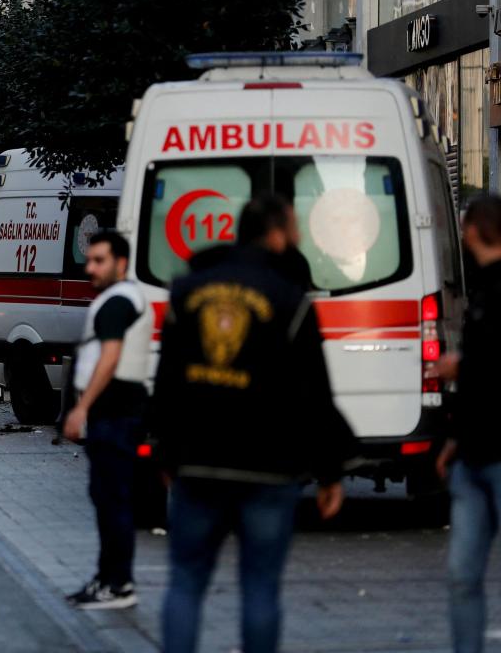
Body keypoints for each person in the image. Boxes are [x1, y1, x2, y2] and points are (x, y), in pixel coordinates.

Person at [154, 194, 355, 653]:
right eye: (296, 229)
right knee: (260, 587)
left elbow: (168, 381)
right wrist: (330, 471)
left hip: (199, 462)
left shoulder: (188, 291)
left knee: (185, 582)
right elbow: (314, 393)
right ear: (278, 234)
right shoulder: (291, 298)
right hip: (269, 467)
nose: (301, 237)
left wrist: (164, 452)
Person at [63, 230, 153, 609]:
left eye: (99, 260)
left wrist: (82, 408)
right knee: (107, 498)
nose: (90, 268)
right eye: (90, 260)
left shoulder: (118, 302)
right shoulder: (123, 298)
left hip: (115, 415)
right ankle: (108, 579)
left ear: (121, 263)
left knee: (112, 500)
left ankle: (118, 585)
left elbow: (110, 356)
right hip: (117, 414)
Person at [434, 195, 501, 653]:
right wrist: (455, 439)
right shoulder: (479, 288)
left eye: (464, 225)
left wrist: (462, 368)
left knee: (464, 575)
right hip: (474, 450)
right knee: (462, 574)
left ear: (477, 229)